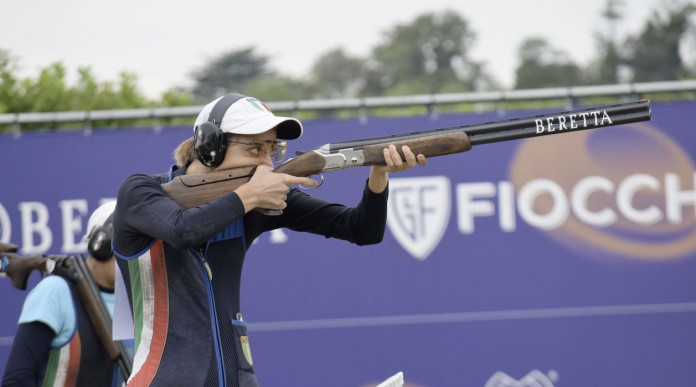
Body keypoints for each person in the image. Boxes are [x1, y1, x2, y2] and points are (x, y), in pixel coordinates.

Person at [112, 93, 427, 386]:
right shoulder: (141, 191)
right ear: (210, 146)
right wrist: (247, 196)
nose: (267, 164)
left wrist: (378, 174)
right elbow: (182, 231)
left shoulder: (255, 201)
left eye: (272, 150)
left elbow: (361, 229)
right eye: (254, 149)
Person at [2, 201, 129, 387]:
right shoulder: (55, 291)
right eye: (130, 244)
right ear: (101, 244)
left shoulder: (135, 301)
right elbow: (16, 380)